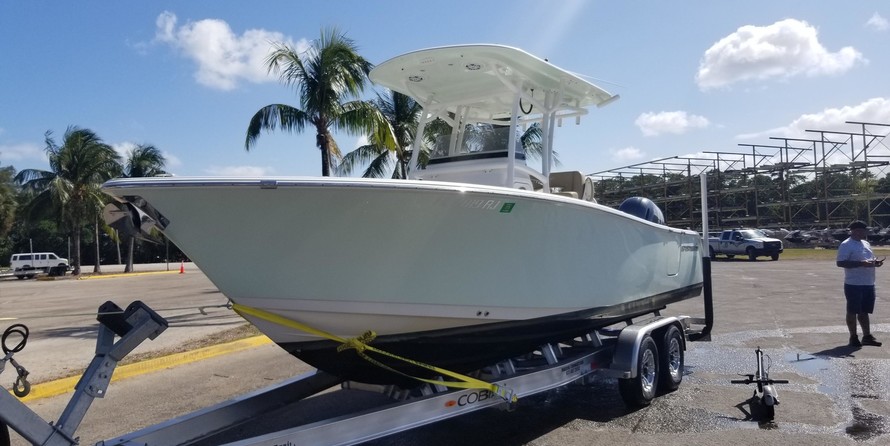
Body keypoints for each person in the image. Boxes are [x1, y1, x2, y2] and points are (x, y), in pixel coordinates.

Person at [836, 220, 883, 347]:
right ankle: (853, 337)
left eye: (863, 230)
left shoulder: (866, 243)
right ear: (853, 231)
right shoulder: (846, 244)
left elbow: (869, 260)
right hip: (853, 284)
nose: (861, 232)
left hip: (868, 282)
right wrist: (861, 263)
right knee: (852, 310)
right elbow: (840, 263)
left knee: (864, 311)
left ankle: (867, 336)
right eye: (858, 230)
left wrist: (875, 263)